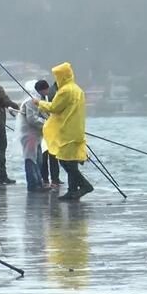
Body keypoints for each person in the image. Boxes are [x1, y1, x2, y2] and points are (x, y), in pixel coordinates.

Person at [33, 63, 92, 201]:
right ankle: (72, 191)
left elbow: (54, 107)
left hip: (67, 131)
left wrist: (38, 103)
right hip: (77, 130)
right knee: (72, 161)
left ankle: (85, 186)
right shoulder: (77, 89)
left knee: (65, 162)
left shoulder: (65, 91)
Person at [18, 80, 49, 192]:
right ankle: (33, 185)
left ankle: (39, 183)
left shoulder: (40, 100)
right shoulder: (31, 101)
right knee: (31, 159)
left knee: (38, 160)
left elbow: (44, 113)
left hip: (37, 136)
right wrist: (46, 124)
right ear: (42, 90)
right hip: (30, 135)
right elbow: (32, 119)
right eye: (46, 89)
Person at [40, 81, 62, 188]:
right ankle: (53, 180)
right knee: (51, 156)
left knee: (48, 156)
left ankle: (49, 180)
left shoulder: (51, 94)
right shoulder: (55, 94)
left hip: (49, 130)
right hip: (48, 131)